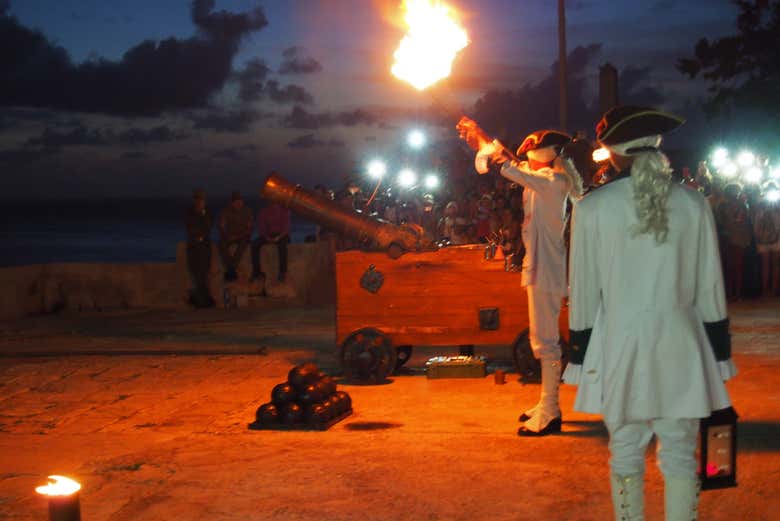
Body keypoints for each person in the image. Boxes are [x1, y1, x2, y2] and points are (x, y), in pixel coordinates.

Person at [564, 106, 737, 520]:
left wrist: (580, 356)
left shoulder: (592, 208)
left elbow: (583, 294)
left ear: (612, 151)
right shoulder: (694, 203)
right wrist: (720, 353)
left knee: (625, 451)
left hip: (619, 346)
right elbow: (710, 288)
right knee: (679, 454)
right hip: (683, 344)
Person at [461, 119, 586, 436]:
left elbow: (510, 168)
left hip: (548, 269)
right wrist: (482, 138)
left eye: (531, 154)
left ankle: (551, 410)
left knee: (546, 342)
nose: (526, 158)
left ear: (543, 156)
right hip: (540, 266)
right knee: (541, 340)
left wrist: (486, 144)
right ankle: (546, 403)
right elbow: (514, 165)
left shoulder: (552, 180)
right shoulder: (542, 178)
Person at [185, 188, 215, 307]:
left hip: (204, 247)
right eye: (197, 199)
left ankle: (203, 300)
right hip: (193, 247)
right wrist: (197, 235)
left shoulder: (207, 212)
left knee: (204, 273)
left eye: (201, 199)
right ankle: (201, 300)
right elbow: (189, 227)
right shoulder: (189, 212)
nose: (199, 202)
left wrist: (203, 215)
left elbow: (208, 226)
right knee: (196, 274)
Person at [251, 200, 292, 283]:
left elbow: (286, 228)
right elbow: (261, 227)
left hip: (282, 235)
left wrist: (279, 237)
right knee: (254, 244)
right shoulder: (264, 212)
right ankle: (256, 272)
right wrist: (267, 237)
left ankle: (282, 272)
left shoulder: (284, 211)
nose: (274, 204)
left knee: (282, 246)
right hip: (268, 235)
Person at [218, 191, 253, 281]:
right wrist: (227, 235)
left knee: (243, 244)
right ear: (232, 203)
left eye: (240, 201)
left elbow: (250, 228)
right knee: (221, 244)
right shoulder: (226, 211)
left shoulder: (247, 211)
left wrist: (239, 236)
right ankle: (231, 268)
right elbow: (221, 226)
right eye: (236, 202)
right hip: (230, 236)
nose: (238, 204)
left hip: (242, 236)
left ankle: (231, 268)